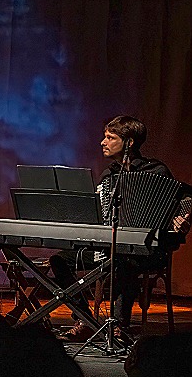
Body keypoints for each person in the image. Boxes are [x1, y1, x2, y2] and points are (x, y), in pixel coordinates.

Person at [52, 115, 189, 341]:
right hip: (109, 247)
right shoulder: (110, 175)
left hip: (149, 251)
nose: (102, 142)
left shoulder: (156, 171)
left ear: (129, 143)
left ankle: (119, 325)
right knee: (60, 260)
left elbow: (185, 197)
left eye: (110, 137)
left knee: (124, 260)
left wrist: (184, 218)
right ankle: (84, 320)